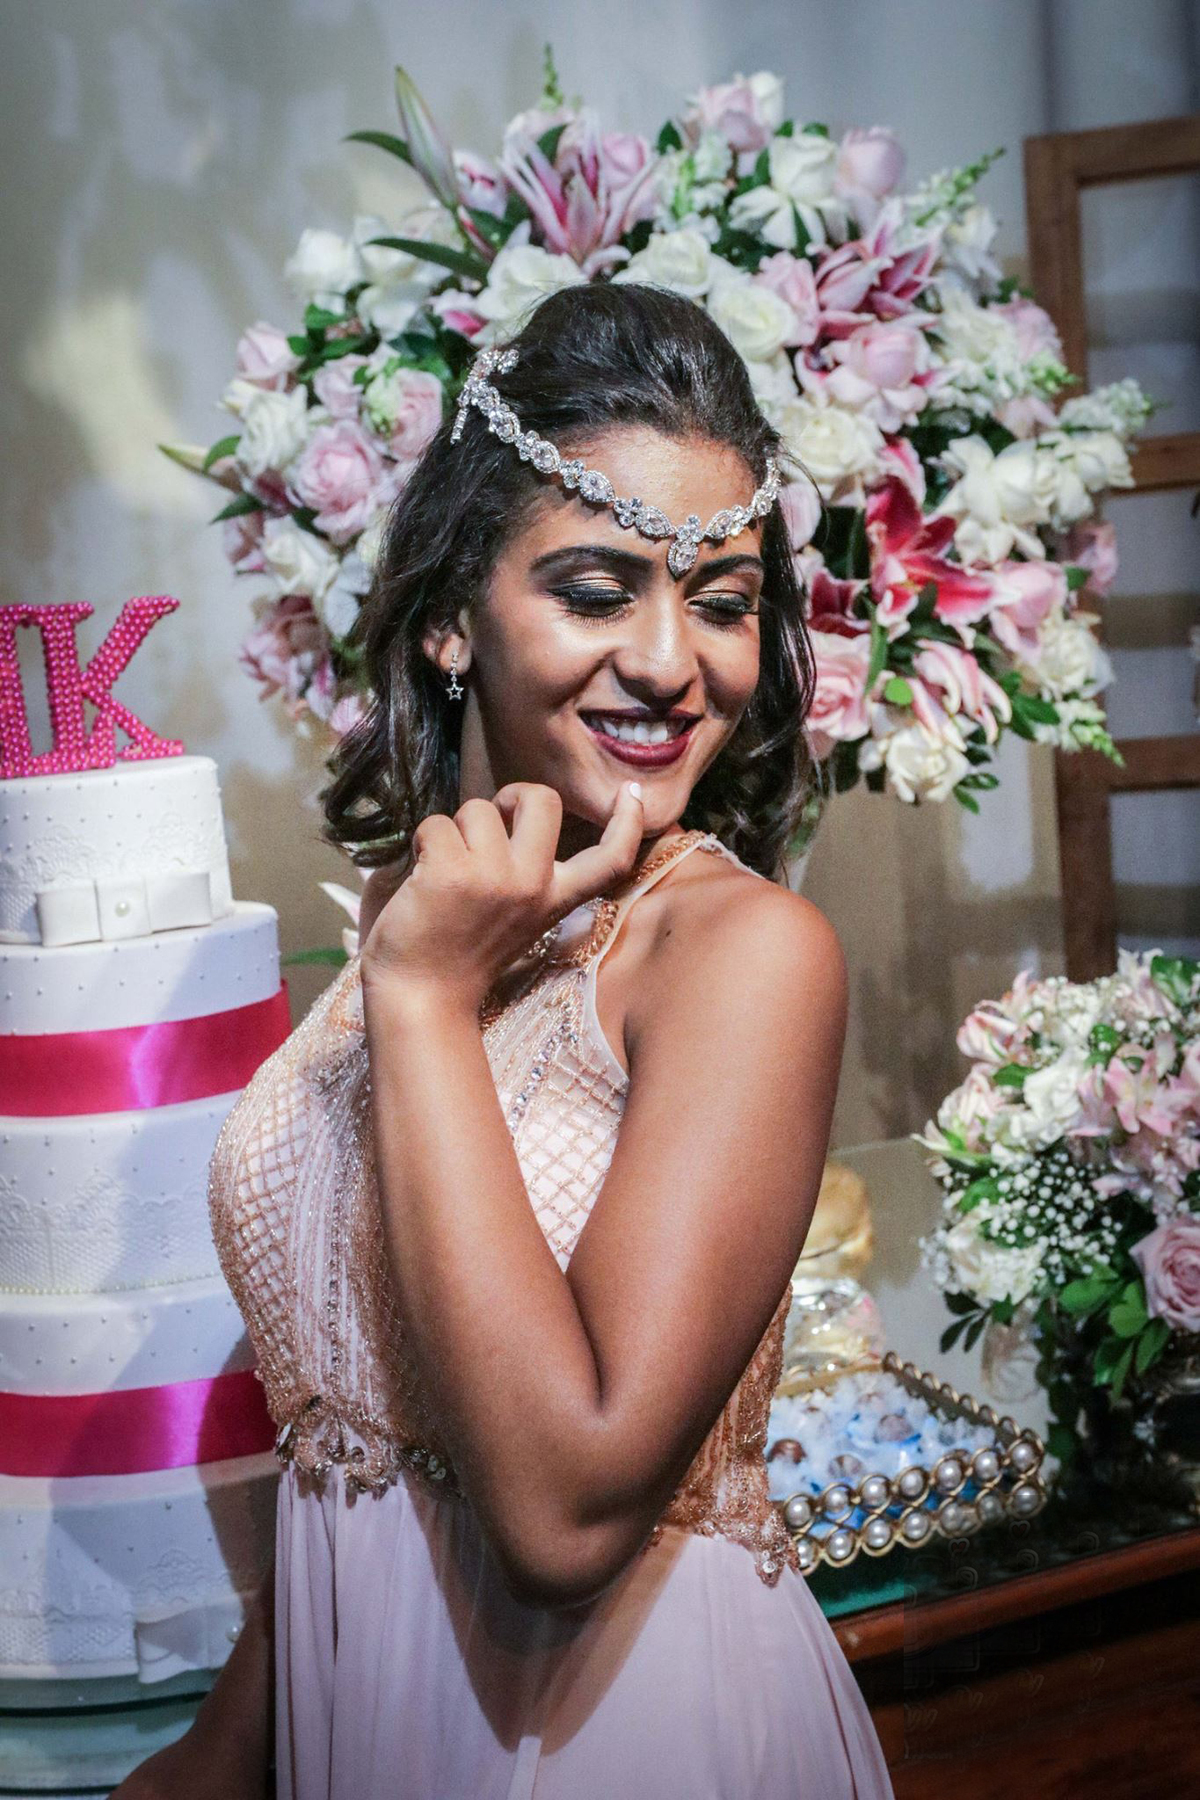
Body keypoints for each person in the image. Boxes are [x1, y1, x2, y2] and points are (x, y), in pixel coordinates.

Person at [118, 281, 894, 1799]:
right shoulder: (429, 911)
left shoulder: (739, 954)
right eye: (599, 592)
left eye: (721, 603)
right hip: (369, 1724)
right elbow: (360, 1414)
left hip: (627, 1741)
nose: (671, 663)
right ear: (450, 621)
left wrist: (419, 1003)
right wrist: (221, 1754)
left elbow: (563, 1516)